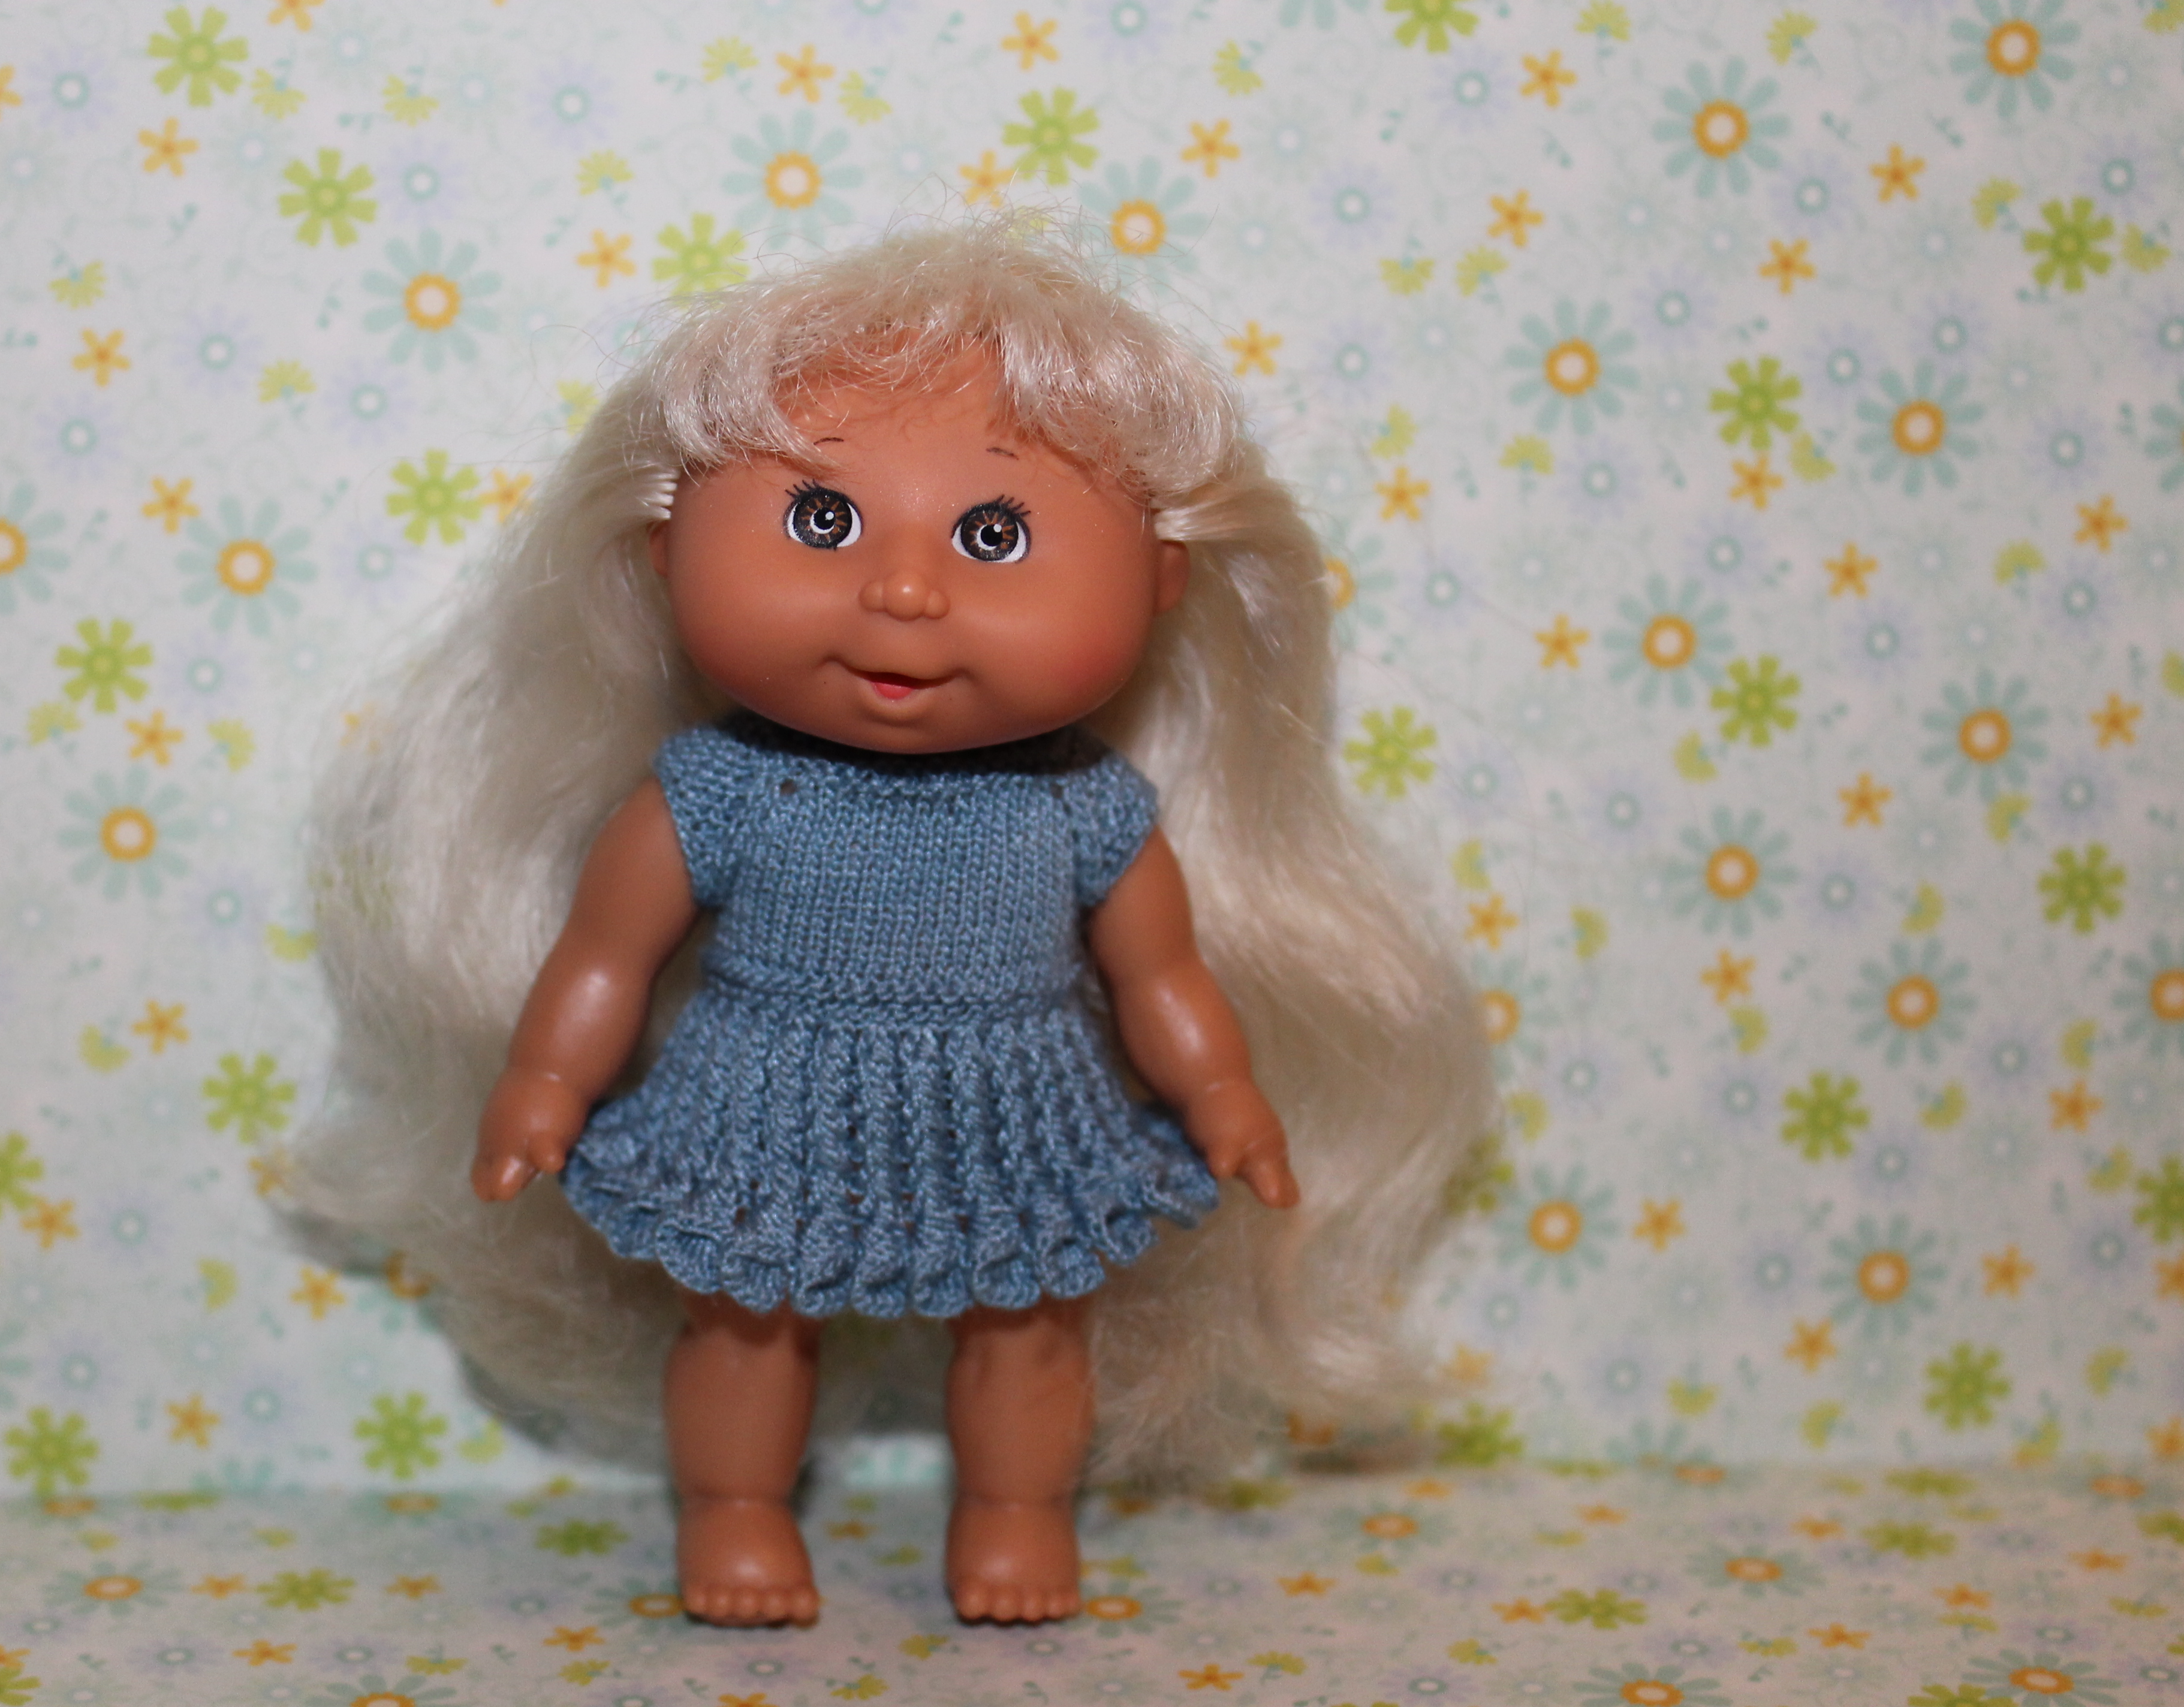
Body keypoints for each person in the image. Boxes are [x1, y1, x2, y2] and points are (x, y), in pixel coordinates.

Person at [297, 218, 1490, 1628]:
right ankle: (735, 1510)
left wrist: (1223, 1090)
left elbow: (1161, 974)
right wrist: (545, 1079)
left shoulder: (1083, 810)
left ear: (1161, 580)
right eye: (823, 521)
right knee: (746, 1320)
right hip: (765, 1095)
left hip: (1015, 1107)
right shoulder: (719, 792)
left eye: (995, 534)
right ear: (669, 545)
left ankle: (1016, 1510)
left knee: (1027, 1325)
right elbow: (604, 955)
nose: (907, 590)